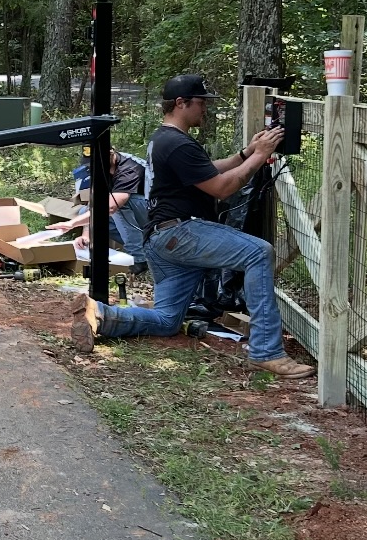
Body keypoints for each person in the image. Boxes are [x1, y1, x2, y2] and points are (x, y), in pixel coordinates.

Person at [71, 73, 313, 380]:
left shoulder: (164, 138)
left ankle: (99, 314)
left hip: (160, 240)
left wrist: (245, 154)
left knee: (167, 320)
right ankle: (267, 352)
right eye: (201, 102)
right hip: (180, 233)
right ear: (181, 103)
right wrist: (261, 156)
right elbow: (222, 188)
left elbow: (207, 171)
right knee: (258, 252)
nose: (205, 108)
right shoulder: (177, 143)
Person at [54, 147, 149, 270]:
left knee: (115, 205)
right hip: (139, 212)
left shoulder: (129, 168)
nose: (94, 166)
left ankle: (138, 259)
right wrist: (87, 235)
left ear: (111, 154)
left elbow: (111, 207)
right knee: (85, 211)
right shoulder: (101, 169)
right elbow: (93, 203)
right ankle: (146, 245)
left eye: (97, 162)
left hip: (158, 212)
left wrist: (72, 224)